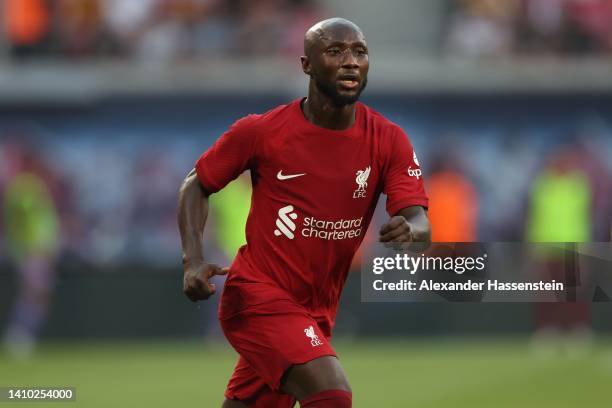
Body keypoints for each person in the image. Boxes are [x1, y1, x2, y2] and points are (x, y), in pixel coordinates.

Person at [177, 18, 430, 408]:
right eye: (335, 51)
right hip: (257, 297)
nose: (350, 62)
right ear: (307, 65)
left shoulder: (388, 140)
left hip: (316, 310)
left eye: (359, 52)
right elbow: (197, 184)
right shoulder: (261, 131)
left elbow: (419, 221)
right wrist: (192, 259)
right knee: (331, 394)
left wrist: (411, 230)